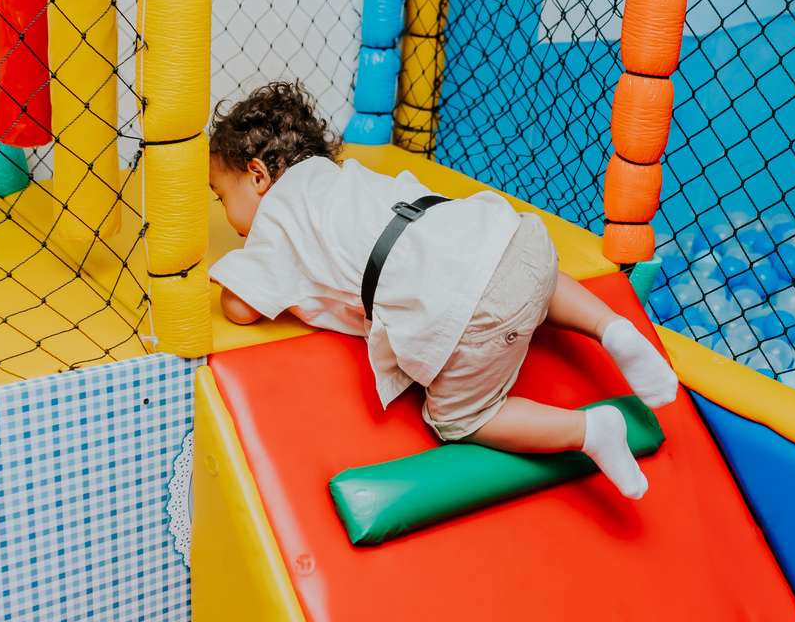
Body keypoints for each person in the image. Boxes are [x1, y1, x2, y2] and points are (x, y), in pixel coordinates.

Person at [207, 81, 678, 499]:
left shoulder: (276, 223)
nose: (227, 216)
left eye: (221, 196)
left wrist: (219, 273)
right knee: (531, 273)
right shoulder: (337, 176)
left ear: (258, 176)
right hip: (516, 240)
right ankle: (611, 328)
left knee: (459, 419)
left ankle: (589, 430)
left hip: (471, 316)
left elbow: (241, 307)